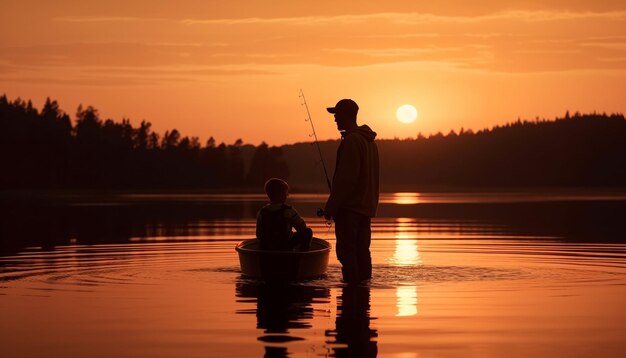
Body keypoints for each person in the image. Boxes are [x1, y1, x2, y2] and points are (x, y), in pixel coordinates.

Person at [324, 98, 380, 284]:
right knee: (362, 252)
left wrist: (331, 206)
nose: (335, 120)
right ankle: (364, 293)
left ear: (346, 115)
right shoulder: (369, 142)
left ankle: (352, 291)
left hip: (350, 210)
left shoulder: (352, 141)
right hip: (366, 209)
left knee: (347, 254)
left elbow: (346, 179)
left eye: (337, 115)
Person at [256, 178, 313, 251]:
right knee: (308, 232)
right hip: (284, 247)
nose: (287, 195)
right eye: (286, 192)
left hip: (266, 248)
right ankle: (301, 256)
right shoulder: (288, 211)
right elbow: (302, 227)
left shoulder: (261, 212)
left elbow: (259, 235)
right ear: (280, 194)